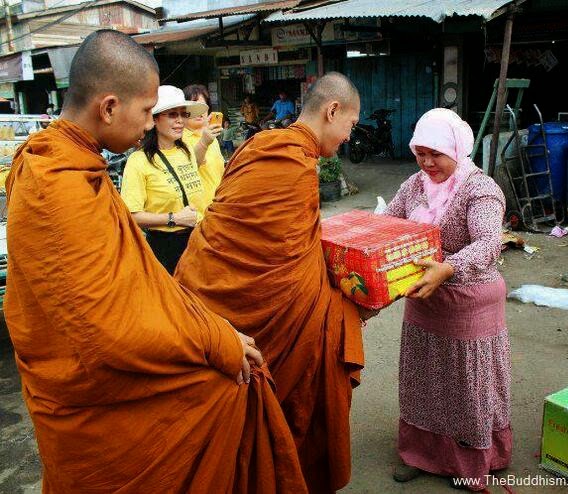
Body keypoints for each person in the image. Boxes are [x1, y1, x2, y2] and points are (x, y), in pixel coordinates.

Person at [3, 29, 307, 494]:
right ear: (108, 107)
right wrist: (215, 341)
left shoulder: (71, 164)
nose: (150, 124)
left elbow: (135, 280)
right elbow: (104, 327)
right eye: (147, 112)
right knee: (225, 390)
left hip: (94, 366)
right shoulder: (55, 181)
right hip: (91, 402)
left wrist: (209, 326)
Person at [175, 72, 373, 494]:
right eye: (351, 127)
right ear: (332, 111)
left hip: (205, 289)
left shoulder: (259, 146)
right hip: (257, 319)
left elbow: (288, 244)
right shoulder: (292, 163)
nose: (348, 138)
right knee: (322, 339)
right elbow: (277, 254)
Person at [384, 108, 511, 491]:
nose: (426, 162)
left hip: (469, 301)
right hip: (424, 297)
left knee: (464, 385)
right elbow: (389, 223)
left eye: (435, 153)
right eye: (419, 153)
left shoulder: (480, 188)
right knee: (423, 380)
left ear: (456, 148)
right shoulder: (414, 185)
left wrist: (448, 267)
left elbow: (490, 243)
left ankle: (470, 459)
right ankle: (421, 454)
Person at [120, 85, 210, 275]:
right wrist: (174, 218)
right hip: (165, 249)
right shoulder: (138, 161)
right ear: (154, 120)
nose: (179, 121)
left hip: (198, 241)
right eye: (171, 115)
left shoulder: (186, 151)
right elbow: (131, 215)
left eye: (182, 114)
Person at [181, 83, 225, 208]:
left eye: (203, 107)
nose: (200, 112)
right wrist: (204, 142)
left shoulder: (212, 137)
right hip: (197, 213)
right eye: (194, 107)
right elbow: (189, 168)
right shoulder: (179, 138)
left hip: (218, 207)